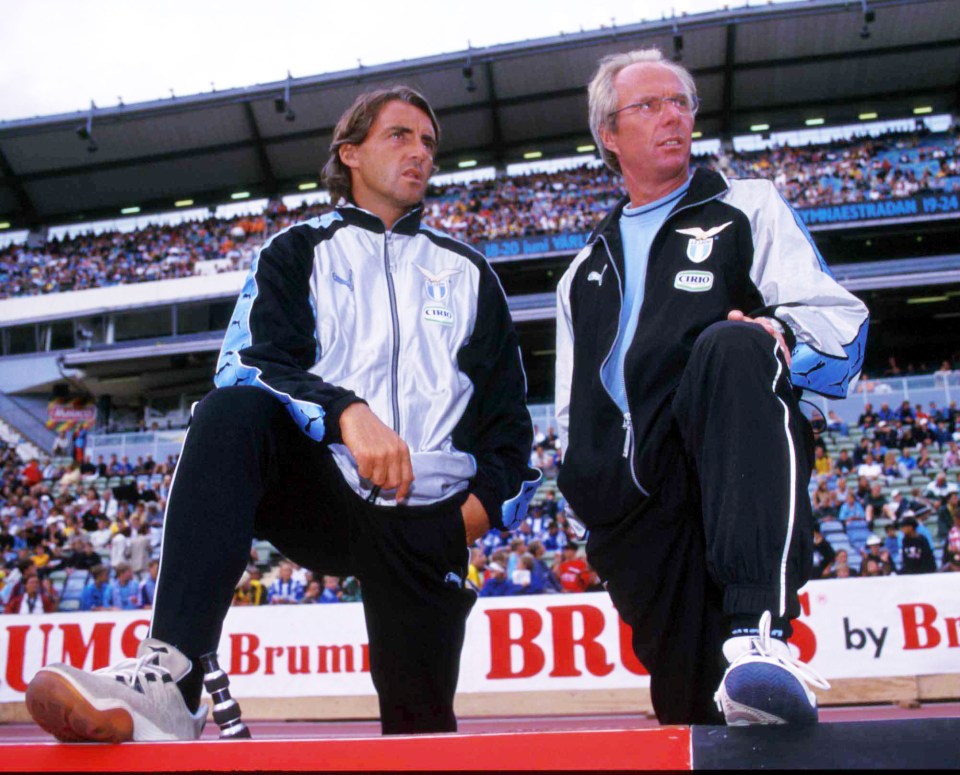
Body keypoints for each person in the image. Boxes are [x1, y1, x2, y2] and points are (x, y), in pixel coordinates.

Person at [26, 86, 539, 743]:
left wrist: (465, 518)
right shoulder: (294, 253)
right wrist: (345, 411)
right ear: (349, 153)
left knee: (422, 734)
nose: (421, 153)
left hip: (430, 517)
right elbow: (247, 362)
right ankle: (172, 682)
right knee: (230, 414)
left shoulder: (469, 272)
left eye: (429, 143)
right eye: (400, 136)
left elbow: (510, 430)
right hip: (323, 493)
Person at [555, 48, 867, 726]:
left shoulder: (746, 206)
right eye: (650, 105)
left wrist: (778, 338)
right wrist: (586, 485)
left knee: (733, 341)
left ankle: (762, 631)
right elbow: (569, 407)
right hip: (634, 515)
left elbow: (843, 330)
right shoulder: (582, 267)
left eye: (682, 103)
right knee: (693, 716)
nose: (673, 116)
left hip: (724, 469)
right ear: (609, 133)